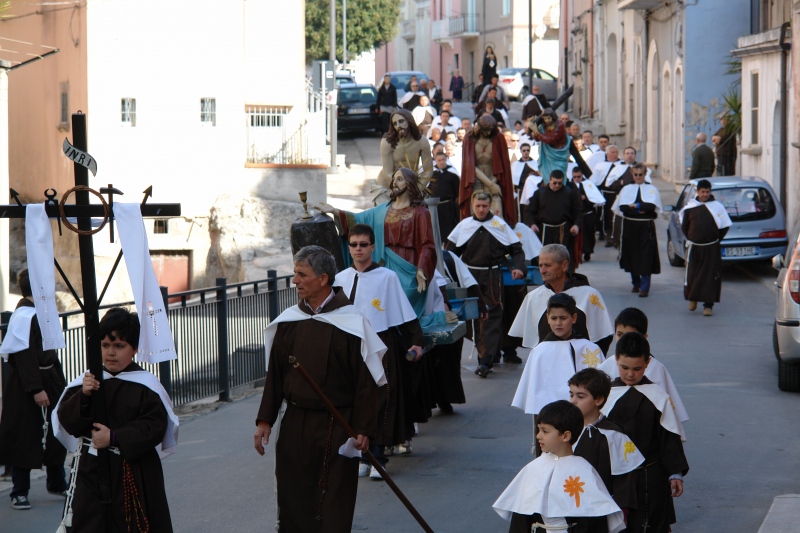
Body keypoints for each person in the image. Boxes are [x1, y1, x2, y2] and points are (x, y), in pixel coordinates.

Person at [254, 246, 384, 532]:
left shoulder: (352, 323)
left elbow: (367, 382)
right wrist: (265, 419)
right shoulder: (289, 321)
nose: (295, 281)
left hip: (337, 424)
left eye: (302, 275)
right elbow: (275, 375)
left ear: (323, 278)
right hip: (295, 424)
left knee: (332, 499)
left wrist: (363, 428)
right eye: (295, 274)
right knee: (294, 494)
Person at [54, 307, 178, 532]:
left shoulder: (146, 386)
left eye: (119, 346)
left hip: (134, 472)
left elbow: (154, 426)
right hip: (91, 471)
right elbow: (67, 420)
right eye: (105, 345)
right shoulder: (87, 382)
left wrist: (114, 436)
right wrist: (84, 396)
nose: (111, 353)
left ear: (134, 349)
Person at [334, 226, 423, 479]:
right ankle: (362, 455)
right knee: (353, 398)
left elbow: (403, 312)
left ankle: (378, 456)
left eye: (363, 244)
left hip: (380, 342)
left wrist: (417, 341)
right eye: (354, 244)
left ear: (373, 247)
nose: (358, 249)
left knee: (381, 399)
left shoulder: (387, 277)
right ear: (349, 248)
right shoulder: (340, 278)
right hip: (350, 344)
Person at [320, 167, 438, 318]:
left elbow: (427, 244)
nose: (394, 183)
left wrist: (422, 269)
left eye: (400, 179)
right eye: (394, 179)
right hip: (384, 264)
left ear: (410, 184)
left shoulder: (420, 213)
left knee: (402, 304)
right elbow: (359, 219)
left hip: (408, 268)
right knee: (377, 303)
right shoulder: (384, 209)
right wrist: (335, 212)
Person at [601, 333, 689, 533]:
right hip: (613, 477)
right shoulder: (605, 395)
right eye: (624, 367)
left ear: (648, 363)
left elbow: (669, 437)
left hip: (650, 478)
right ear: (616, 359)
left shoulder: (658, 397)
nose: (630, 374)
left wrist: (675, 473)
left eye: (637, 369)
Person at [493, 400, 625, 533]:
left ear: (566, 436)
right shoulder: (533, 468)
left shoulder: (584, 471)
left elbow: (594, 518)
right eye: (538, 430)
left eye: (545, 431)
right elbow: (520, 516)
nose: (538, 436)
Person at [0, 269, 68, 510]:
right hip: (27, 385)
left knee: (57, 431)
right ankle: (19, 491)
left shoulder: (41, 312)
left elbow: (50, 351)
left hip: (50, 378)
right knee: (24, 435)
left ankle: (57, 481)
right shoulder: (24, 316)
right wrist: (36, 388)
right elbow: (24, 355)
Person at [512, 293, 606, 454]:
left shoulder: (589, 348)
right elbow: (534, 395)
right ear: (547, 318)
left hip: (583, 416)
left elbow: (602, 386)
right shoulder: (539, 351)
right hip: (551, 420)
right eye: (554, 318)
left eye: (563, 318)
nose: (558, 323)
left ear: (574, 318)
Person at [446, 191, 526, 378]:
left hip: (493, 275)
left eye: (484, 206)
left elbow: (516, 250)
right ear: (472, 206)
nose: (481, 210)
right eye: (478, 206)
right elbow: (449, 254)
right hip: (469, 275)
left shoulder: (499, 225)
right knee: (473, 316)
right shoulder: (464, 226)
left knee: (491, 315)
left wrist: (519, 267)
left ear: (490, 206)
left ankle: (485, 361)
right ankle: (490, 353)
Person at [509, 244, 614, 355]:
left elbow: (603, 337)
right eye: (540, 266)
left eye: (548, 265)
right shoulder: (533, 297)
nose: (542, 271)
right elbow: (531, 341)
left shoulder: (589, 296)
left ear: (564, 265)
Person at [568, 368, 643, 513]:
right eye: (571, 395)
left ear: (599, 399)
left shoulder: (613, 435)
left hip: (599, 509)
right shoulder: (565, 429)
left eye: (581, 396)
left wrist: (622, 513)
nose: (573, 401)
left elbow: (624, 481)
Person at [598, 308, 689, 423]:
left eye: (637, 369)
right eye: (620, 334)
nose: (625, 339)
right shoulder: (607, 365)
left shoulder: (657, 368)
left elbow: (665, 409)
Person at [679, 179, 732, 316]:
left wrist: (714, 239)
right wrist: (693, 238)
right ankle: (693, 298)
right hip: (694, 247)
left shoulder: (717, 207)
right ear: (697, 192)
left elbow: (725, 226)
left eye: (707, 192)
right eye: (702, 192)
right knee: (692, 274)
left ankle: (708, 306)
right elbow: (685, 226)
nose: (705, 194)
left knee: (710, 276)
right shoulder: (690, 207)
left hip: (711, 247)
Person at [612, 163, 662, 297]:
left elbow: (651, 206)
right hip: (630, 226)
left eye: (641, 175)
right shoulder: (626, 189)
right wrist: (640, 210)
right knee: (632, 254)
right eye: (636, 175)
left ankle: (645, 287)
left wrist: (636, 206)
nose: (638, 177)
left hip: (646, 227)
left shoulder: (651, 189)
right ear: (632, 175)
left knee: (646, 255)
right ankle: (636, 283)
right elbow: (623, 208)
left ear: (645, 175)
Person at [458, 114, 517, 226]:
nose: (488, 133)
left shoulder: (498, 138)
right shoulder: (469, 139)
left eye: (490, 130)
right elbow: (470, 167)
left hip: (494, 180)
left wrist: (493, 183)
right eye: (486, 130)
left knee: (497, 219)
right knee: (474, 219)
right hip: (475, 182)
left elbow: (503, 166)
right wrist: (490, 184)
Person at [524, 170, 582, 269]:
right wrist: (532, 224)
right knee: (545, 257)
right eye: (554, 183)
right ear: (549, 180)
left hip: (563, 229)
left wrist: (576, 225)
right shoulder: (540, 193)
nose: (557, 185)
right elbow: (529, 211)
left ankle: (564, 280)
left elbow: (579, 212)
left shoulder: (569, 193)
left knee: (563, 257)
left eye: (560, 183)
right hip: (544, 230)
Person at [374, 109, 433, 205]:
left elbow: (428, 170)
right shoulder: (387, 142)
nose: (398, 126)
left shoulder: (422, 141)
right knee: (387, 217)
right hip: (387, 187)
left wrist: (416, 190)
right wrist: (400, 191)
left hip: (412, 187)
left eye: (401, 121)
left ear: (409, 121)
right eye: (395, 124)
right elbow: (387, 173)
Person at [603, 147, 651, 248]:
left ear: (635, 155)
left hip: (637, 200)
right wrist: (621, 182)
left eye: (632, 153)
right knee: (620, 223)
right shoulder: (617, 168)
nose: (630, 155)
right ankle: (618, 243)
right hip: (622, 199)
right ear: (624, 156)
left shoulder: (642, 169)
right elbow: (609, 184)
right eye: (627, 153)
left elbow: (647, 184)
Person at [570, 166, 606, 263]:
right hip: (576, 216)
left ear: (582, 176)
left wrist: (586, 198)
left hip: (587, 214)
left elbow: (595, 200)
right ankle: (578, 253)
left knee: (589, 234)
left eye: (579, 176)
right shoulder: (569, 186)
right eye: (575, 177)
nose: (577, 179)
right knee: (577, 236)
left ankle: (587, 252)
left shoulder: (588, 185)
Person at [532, 108, 570, 186]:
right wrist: (534, 130)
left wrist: (536, 131)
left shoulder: (559, 125)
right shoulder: (543, 125)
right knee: (548, 175)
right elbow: (537, 138)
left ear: (553, 117)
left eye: (549, 118)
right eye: (545, 118)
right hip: (547, 154)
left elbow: (551, 140)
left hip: (558, 154)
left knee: (559, 174)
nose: (547, 121)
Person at [591, 144, 620, 242]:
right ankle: (605, 234)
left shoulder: (622, 165)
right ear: (607, 154)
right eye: (613, 152)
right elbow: (594, 180)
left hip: (618, 194)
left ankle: (615, 234)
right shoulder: (600, 165)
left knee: (616, 214)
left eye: (616, 152)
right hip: (604, 193)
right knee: (604, 215)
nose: (615, 154)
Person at [432, 151, 461, 240]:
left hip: (448, 206)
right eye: (439, 160)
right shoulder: (432, 174)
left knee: (449, 230)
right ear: (435, 161)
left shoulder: (452, 174)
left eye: (443, 159)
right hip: (435, 207)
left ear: (446, 159)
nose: (441, 162)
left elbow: (457, 190)